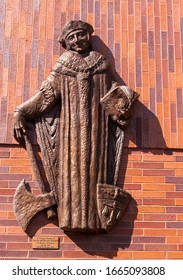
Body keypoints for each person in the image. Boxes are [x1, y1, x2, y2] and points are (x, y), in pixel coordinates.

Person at [13, 20, 138, 233]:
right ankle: (71, 219)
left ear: (88, 36)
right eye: (71, 37)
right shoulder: (64, 65)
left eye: (80, 35)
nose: (77, 40)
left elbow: (112, 93)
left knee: (96, 170)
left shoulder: (101, 63)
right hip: (70, 134)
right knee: (71, 173)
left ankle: (95, 220)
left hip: (98, 132)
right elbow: (45, 96)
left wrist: (123, 99)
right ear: (67, 43)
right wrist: (21, 112)